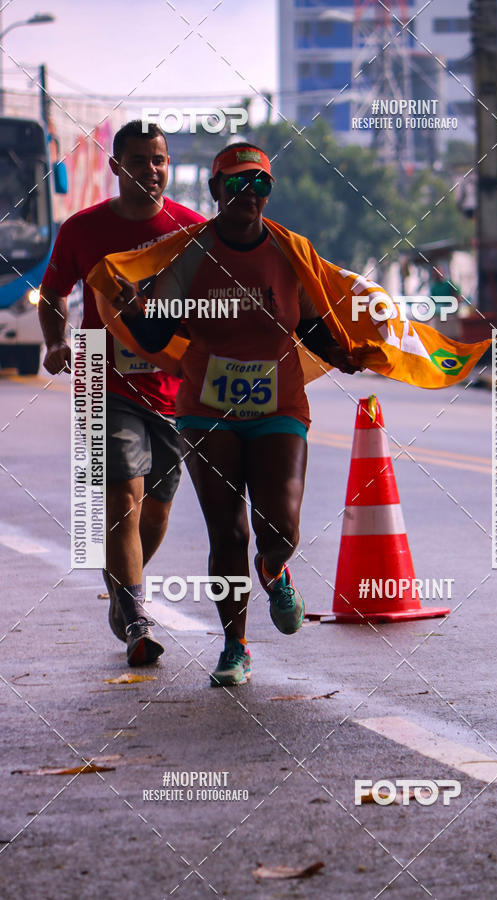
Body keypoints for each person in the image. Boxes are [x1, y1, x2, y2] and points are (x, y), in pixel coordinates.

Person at [106, 142, 362, 686]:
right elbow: (156, 333)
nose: (251, 195)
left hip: (279, 404)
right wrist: (135, 307)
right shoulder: (192, 253)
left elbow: (311, 324)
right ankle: (234, 646)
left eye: (261, 185)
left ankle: (274, 569)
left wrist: (342, 352)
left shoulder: (292, 250)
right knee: (227, 534)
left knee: (278, 528)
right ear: (216, 191)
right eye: (239, 185)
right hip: (207, 410)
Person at [39, 120, 205, 666]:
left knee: (156, 510)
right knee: (124, 500)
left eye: (158, 160)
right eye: (138, 161)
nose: (150, 171)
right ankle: (136, 616)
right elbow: (53, 292)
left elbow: (226, 294)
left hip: (173, 391)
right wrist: (56, 342)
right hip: (104, 384)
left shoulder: (192, 230)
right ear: (116, 168)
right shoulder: (83, 230)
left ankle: (119, 589)